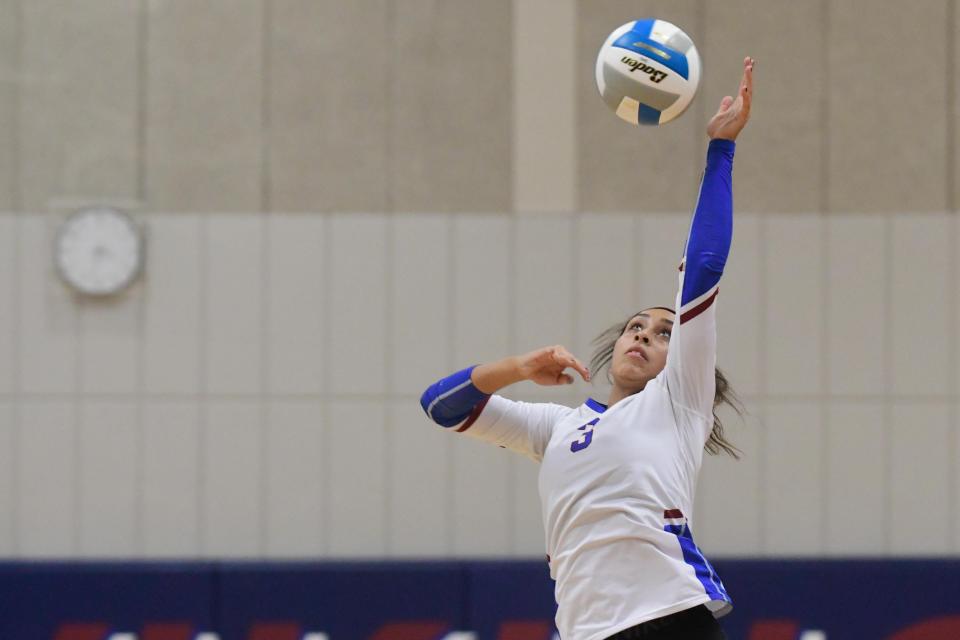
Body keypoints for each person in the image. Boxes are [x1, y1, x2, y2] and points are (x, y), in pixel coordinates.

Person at [420, 56, 755, 640]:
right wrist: (520, 367)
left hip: (668, 619)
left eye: (663, 333)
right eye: (636, 327)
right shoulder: (556, 428)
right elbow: (440, 406)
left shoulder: (678, 402)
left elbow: (702, 264)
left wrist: (720, 152)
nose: (646, 336)